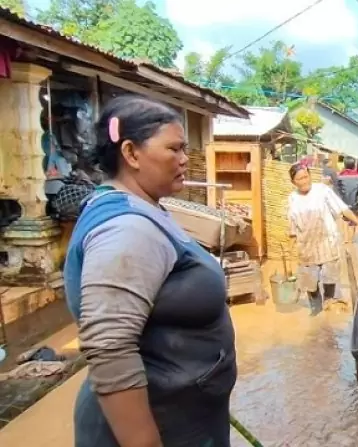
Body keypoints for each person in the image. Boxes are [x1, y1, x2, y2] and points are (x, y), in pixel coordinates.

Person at [63, 95, 236, 447]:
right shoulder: (126, 229)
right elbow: (109, 346)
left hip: (183, 415)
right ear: (130, 153)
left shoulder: (144, 208)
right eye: (174, 148)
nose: (184, 159)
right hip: (157, 427)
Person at [287, 163, 358, 315]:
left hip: (327, 243)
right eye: (300, 179)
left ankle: (329, 306)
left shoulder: (322, 191)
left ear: (310, 176)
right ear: (293, 182)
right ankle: (316, 310)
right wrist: (290, 250)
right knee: (310, 283)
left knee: (330, 278)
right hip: (306, 247)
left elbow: (342, 208)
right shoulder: (293, 198)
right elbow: (292, 225)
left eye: (306, 177)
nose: (304, 181)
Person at [336, 157, 358, 244]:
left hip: (344, 202)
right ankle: (351, 240)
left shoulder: (340, 177)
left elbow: (338, 190)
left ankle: (345, 239)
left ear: (345, 165)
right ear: (353, 165)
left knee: (345, 220)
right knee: (353, 221)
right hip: (355, 202)